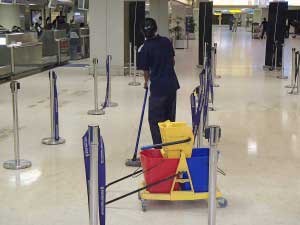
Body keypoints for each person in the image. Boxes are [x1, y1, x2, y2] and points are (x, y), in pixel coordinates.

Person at [137, 18, 180, 145]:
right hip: (172, 85)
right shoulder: (166, 41)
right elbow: (172, 61)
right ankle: (169, 146)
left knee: (155, 120)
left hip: (158, 89)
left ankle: (159, 148)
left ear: (142, 32)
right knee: (169, 119)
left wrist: (146, 82)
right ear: (156, 29)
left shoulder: (144, 48)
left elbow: (146, 71)